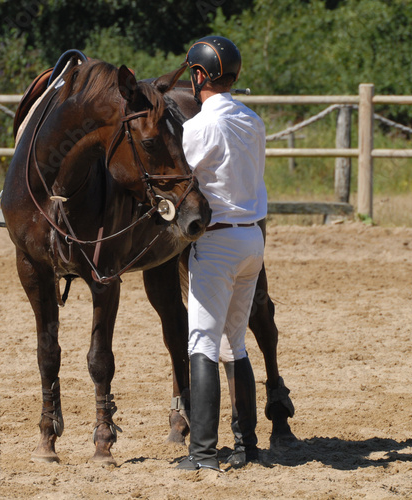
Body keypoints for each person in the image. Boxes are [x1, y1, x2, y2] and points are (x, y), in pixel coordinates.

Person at [176, 36, 268, 471]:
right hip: (253, 240)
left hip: (217, 243)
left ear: (198, 76)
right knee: (236, 342)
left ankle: (202, 454)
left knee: (203, 341)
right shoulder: (253, 120)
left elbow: (177, 179)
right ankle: (247, 445)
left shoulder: (197, 127)